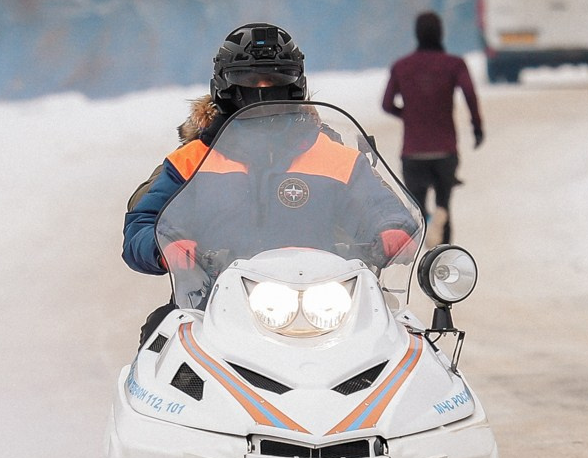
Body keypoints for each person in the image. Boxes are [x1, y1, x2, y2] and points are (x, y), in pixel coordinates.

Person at [124, 23, 418, 343]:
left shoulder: (337, 158)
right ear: (224, 89)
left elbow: (379, 204)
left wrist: (393, 229)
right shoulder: (191, 160)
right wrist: (162, 247)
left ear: (296, 86)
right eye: (248, 83)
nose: (262, 92)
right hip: (207, 306)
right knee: (157, 339)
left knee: (401, 339)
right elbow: (143, 221)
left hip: (324, 312)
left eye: (276, 82)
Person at [382, 10, 484, 243]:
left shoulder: (402, 66)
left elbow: (387, 104)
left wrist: (408, 114)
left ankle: (424, 232)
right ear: (441, 33)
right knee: (445, 202)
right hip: (445, 151)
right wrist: (476, 127)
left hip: (413, 152)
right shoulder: (454, 64)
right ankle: (444, 252)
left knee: (415, 208)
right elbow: (470, 94)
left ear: (416, 34)